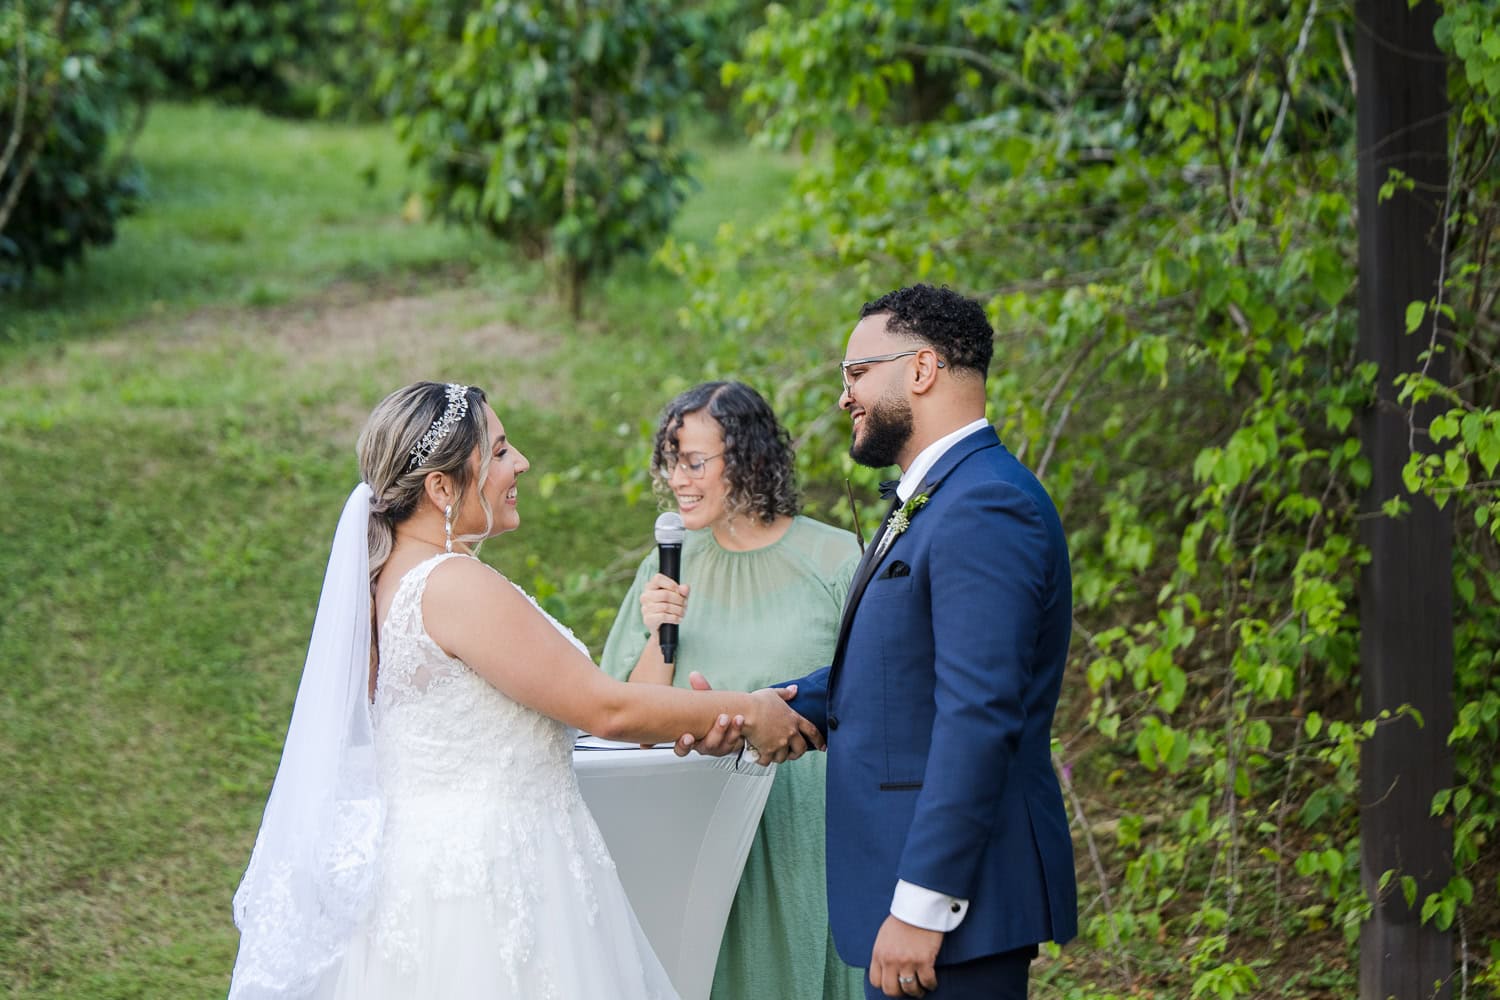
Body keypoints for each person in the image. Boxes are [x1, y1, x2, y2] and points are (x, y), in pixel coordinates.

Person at [227, 381, 822, 1000]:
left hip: (433, 877)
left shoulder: (394, 581)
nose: (521, 464)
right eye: (502, 450)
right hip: (491, 883)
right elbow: (606, 709)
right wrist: (749, 710)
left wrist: (688, 707)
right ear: (441, 487)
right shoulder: (454, 584)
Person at [680, 286, 1078, 999]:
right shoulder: (938, 498)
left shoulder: (985, 503)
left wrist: (924, 905)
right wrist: (776, 706)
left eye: (857, 373)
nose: (845, 397)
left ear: (922, 369)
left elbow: (979, 714)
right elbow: (900, 673)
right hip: (906, 900)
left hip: (953, 910)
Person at [601, 381, 865, 1000]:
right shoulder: (664, 566)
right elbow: (627, 719)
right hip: (704, 829)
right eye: (672, 462)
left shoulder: (836, 560)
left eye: (695, 462)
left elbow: (879, 695)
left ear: (749, 458)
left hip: (813, 826)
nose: (678, 480)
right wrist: (658, 631)